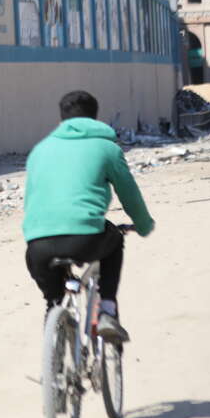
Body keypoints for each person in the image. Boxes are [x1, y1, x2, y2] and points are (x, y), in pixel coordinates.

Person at [23, 90, 154, 343]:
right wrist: (144, 225)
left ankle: (54, 321)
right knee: (114, 239)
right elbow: (129, 195)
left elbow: (31, 200)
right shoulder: (107, 148)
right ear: (95, 118)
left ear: (61, 120)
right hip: (85, 238)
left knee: (52, 297)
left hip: (38, 245)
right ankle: (107, 310)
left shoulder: (39, 150)